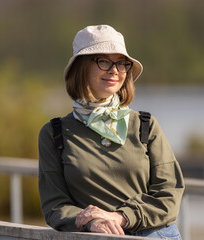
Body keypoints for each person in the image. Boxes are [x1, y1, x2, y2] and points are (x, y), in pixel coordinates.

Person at [38, 25, 185, 239]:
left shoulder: (145, 125)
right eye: (103, 61)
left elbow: (169, 194)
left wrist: (120, 217)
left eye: (121, 63)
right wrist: (92, 222)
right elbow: (55, 206)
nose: (114, 70)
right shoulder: (54, 133)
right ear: (81, 67)